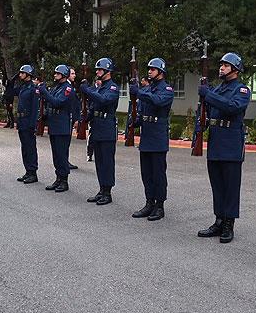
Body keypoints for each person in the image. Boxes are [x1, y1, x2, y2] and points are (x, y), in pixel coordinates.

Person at [195, 52, 251, 243]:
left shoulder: (242, 90)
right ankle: (219, 220)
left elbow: (232, 107)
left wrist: (208, 95)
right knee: (217, 185)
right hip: (216, 142)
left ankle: (229, 224)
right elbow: (207, 110)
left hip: (231, 144)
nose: (221, 68)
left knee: (230, 187)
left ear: (235, 69)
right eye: (221, 65)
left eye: (225, 65)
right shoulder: (217, 89)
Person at [129, 58, 173, 221]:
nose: (149, 71)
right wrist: (136, 121)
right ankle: (149, 203)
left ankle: (159, 206)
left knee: (158, 174)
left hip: (158, 138)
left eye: (152, 69)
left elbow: (158, 101)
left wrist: (139, 92)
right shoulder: (149, 89)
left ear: (160, 72)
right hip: (147, 136)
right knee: (146, 173)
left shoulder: (166, 89)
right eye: (148, 69)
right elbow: (143, 109)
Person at [78, 58, 120, 205]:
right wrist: (84, 119)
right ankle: (101, 189)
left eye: (100, 70)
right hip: (96, 127)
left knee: (107, 162)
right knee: (99, 162)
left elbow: (103, 100)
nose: (97, 72)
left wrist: (87, 90)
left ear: (108, 71)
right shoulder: (98, 87)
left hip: (107, 128)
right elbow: (94, 106)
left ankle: (108, 192)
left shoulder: (113, 88)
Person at [36, 65, 75, 192]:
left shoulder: (67, 88)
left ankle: (64, 180)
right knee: (56, 155)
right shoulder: (56, 87)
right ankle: (58, 178)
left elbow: (57, 102)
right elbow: (49, 101)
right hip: (54, 125)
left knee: (62, 155)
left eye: (57, 74)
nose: (55, 75)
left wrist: (44, 92)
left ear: (63, 75)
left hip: (62, 126)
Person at [11, 64, 39, 183]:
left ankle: (33, 173)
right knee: (24, 148)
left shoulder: (33, 89)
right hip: (22, 121)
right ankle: (27, 171)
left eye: (22, 73)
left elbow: (35, 108)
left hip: (28, 122)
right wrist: (13, 79)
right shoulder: (22, 87)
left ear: (28, 74)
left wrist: (33, 124)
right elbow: (10, 91)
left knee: (30, 148)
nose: (20, 75)